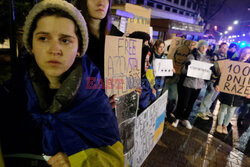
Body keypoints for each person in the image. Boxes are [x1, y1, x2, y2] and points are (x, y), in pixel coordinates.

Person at [0, 0, 124, 166]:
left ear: (79, 48)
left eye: (65, 40)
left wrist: (79, 160)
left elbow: (115, 159)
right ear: (31, 44)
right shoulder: (9, 97)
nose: (54, 49)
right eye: (43, 38)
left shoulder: (95, 101)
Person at [74, 0, 123, 109]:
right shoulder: (71, 35)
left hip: (112, 112)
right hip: (83, 112)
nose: (101, 3)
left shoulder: (118, 36)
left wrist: (131, 90)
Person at [172, 40, 210, 129]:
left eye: (205, 47)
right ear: (199, 47)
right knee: (183, 102)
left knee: (191, 103)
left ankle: (185, 118)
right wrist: (188, 67)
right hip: (189, 83)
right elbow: (183, 71)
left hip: (199, 85)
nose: (204, 48)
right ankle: (177, 118)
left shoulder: (207, 59)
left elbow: (207, 72)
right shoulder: (192, 56)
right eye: (202, 46)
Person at [215, 47, 250, 134]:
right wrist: (217, 84)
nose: (246, 55)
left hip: (239, 94)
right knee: (223, 108)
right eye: (244, 52)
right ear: (240, 52)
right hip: (227, 91)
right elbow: (222, 75)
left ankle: (225, 126)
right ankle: (219, 124)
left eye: (248, 53)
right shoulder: (231, 61)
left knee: (231, 111)